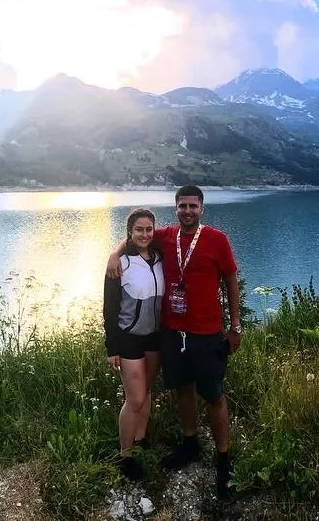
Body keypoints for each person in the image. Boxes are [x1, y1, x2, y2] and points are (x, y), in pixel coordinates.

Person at [106, 185, 241, 498]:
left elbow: (231, 279)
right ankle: (190, 443)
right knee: (183, 389)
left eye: (193, 206)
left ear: (202, 208)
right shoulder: (165, 236)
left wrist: (235, 326)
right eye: (182, 206)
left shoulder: (217, 239)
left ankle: (223, 459)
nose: (187, 211)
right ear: (176, 208)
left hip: (206, 333)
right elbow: (136, 235)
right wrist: (114, 253)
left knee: (214, 395)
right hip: (172, 331)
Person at [103, 207, 165, 481]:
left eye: (149, 229)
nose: (144, 234)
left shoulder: (160, 257)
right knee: (135, 398)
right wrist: (112, 348)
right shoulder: (120, 264)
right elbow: (109, 308)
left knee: (147, 391)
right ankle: (124, 456)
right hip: (128, 338)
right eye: (138, 229)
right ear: (129, 232)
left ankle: (140, 439)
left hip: (155, 337)